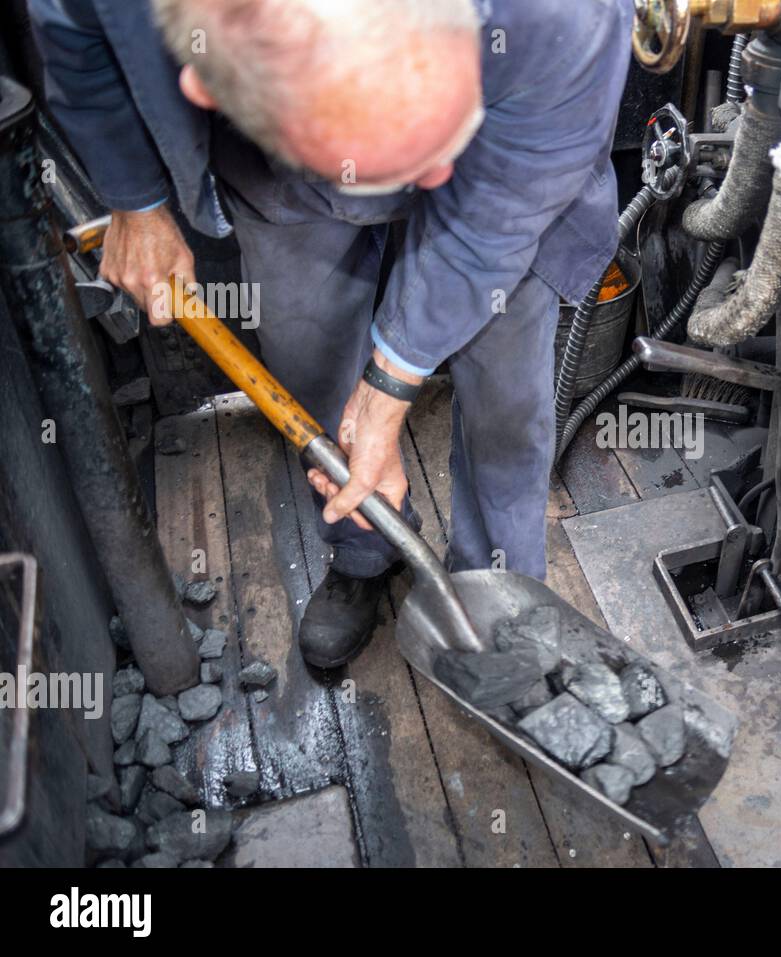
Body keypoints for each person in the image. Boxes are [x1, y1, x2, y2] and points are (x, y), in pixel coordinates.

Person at [28, 0, 631, 667]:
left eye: (432, 136)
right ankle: (366, 546)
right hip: (283, 181)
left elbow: (496, 214)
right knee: (310, 360)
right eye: (400, 159)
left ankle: (498, 588)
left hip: (506, 163)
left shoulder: (565, 14)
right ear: (205, 79)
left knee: (509, 398)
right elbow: (75, 30)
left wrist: (393, 380)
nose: (429, 184)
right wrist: (134, 200)